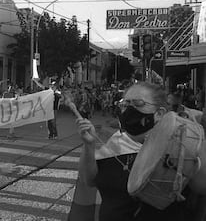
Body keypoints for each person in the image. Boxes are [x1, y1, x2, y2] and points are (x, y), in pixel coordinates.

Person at [77, 82, 198, 221]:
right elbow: (89, 180)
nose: (129, 110)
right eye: (125, 104)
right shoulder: (114, 143)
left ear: (159, 113)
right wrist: (88, 145)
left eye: (138, 104)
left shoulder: (180, 147)